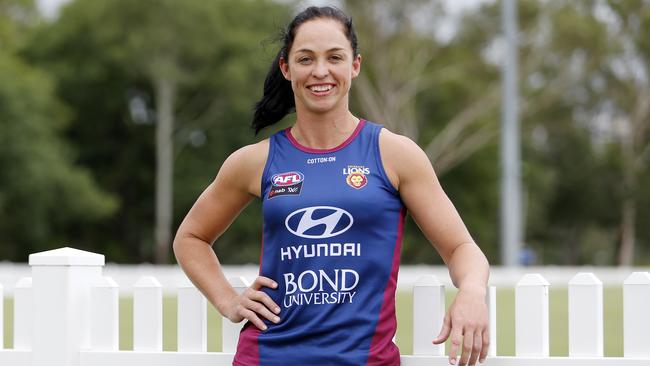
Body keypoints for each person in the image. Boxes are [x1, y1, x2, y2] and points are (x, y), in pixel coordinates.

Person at [173, 6, 489, 366]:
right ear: (286, 68)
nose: (320, 71)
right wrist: (228, 300)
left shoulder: (394, 154)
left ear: (354, 65)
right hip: (268, 357)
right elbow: (190, 238)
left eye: (334, 57)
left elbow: (461, 247)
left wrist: (473, 292)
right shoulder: (255, 161)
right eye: (306, 59)